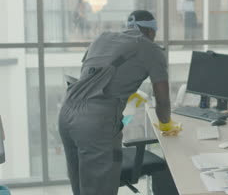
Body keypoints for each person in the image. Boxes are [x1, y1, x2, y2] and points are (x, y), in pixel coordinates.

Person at [58, 10, 180, 195]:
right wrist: (166, 124)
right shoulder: (151, 49)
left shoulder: (103, 37)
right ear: (151, 32)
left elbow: (92, 75)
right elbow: (162, 100)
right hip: (96, 123)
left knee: (81, 188)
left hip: (67, 113)